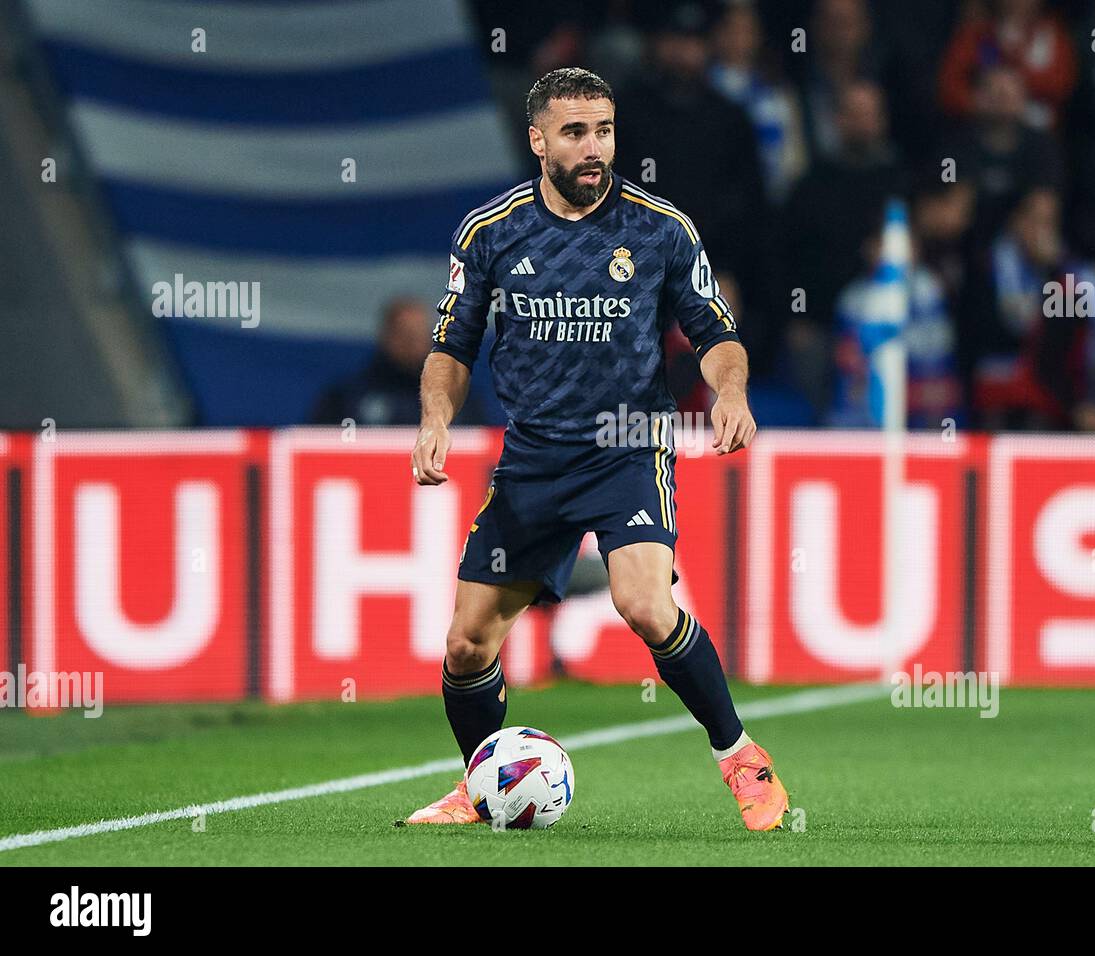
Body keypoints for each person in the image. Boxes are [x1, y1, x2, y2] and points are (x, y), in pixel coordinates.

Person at [403, 67, 788, 831]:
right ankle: (483, 789)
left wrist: (731, 394)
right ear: (537, 138)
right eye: (575, 132)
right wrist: (434, 419)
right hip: (534, 459)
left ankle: (740, 756)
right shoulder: (491, 233)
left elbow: (714, 333)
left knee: (645, 605)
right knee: (466, 644)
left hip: (627, 448)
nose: (593, 148)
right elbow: (452, 345)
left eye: (604, 131)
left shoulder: (659, 230)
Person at [310, 297, 434, 426]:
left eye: (421, 335)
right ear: (387, 335)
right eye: (408, 335)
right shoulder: (347, 396)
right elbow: (321, 439)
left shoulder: (446, 397)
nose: (413, 344)